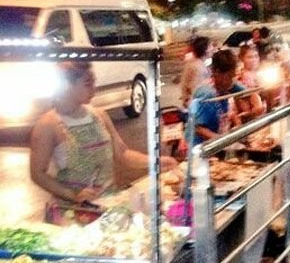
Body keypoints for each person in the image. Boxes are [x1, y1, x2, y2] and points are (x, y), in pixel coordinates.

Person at [30, 62, 178, 215]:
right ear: (67, 85)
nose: (94, 88)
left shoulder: (99, 115)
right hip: (71, 210)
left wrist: (156, 162)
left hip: (107, 205)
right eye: (88, 83)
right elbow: (37, 174)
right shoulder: (48, 124)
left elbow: (123, 154)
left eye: (94, 82)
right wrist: (73, 195)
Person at [192, 49, 262, 144]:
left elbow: (251, 94)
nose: (232, 80)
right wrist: (227, 141)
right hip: (201, 147)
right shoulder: (206, 93)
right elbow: (199, 129)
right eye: (229, 76)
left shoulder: (229, 84)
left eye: (234, 76)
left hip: (219, 141)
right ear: (217, 72)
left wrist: (257, 105)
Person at [179, 36, 212, 111]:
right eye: (210, 46)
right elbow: (195, 90)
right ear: (205, 49)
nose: (212, 48)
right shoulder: (197, 67)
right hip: (196, 108)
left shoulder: (196, 63)